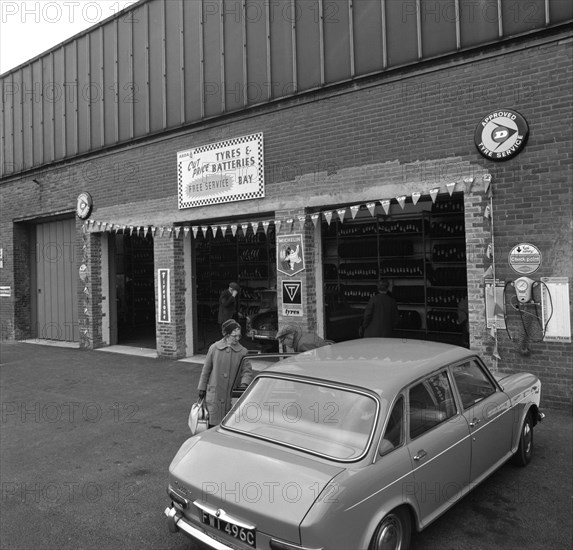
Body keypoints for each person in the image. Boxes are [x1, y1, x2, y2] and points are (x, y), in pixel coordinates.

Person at [198, 319, 253, 427]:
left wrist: (243, 385)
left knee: (231, 424)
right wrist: (202, 388)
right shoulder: (214, 348)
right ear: (227, 335)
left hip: (233, 394)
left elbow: (247, 371)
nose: (237, 338)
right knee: (213, 425)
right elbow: (206, 370)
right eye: (234, 336)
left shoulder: (243, 351)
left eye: (239, 336)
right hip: (215, 394)